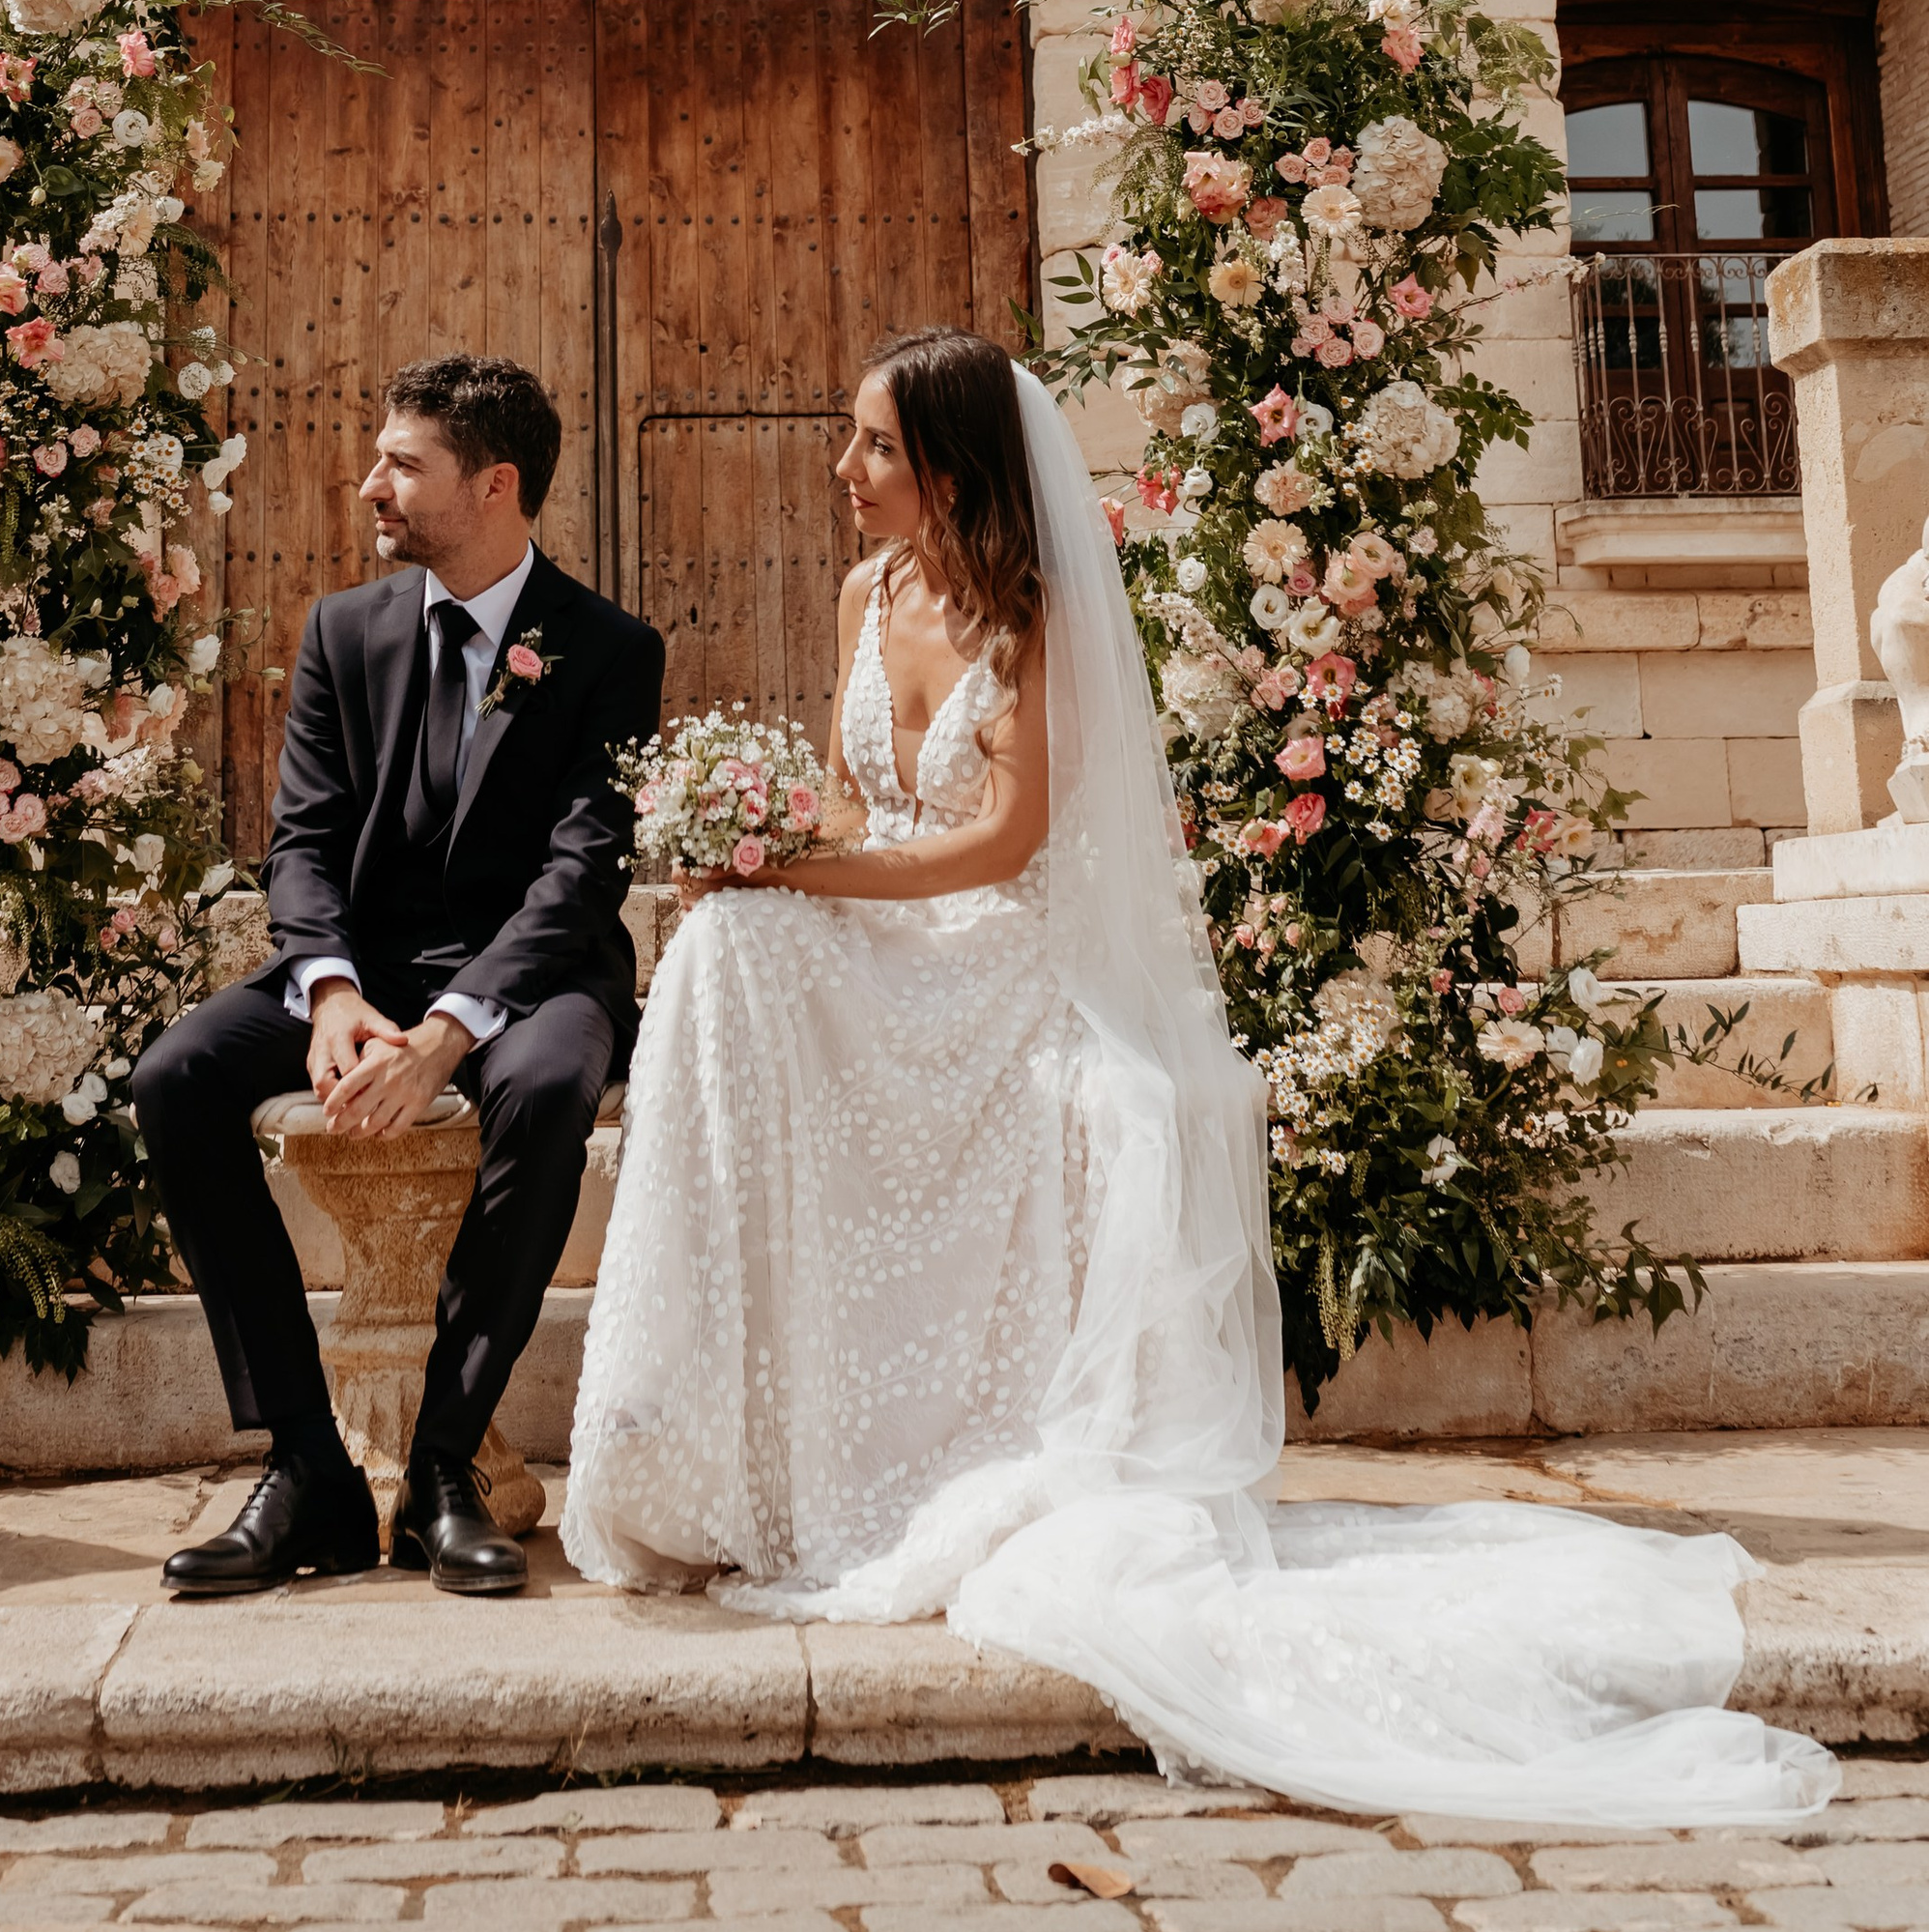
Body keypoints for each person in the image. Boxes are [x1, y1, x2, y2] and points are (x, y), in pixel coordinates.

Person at [563, 326, 1834, 1825]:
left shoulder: (1031, 617)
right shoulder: (867, 591)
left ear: (955, 466)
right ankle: (694, 1438)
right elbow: (858, 801)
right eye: (853, 442)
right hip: (892, 934)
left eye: (875, 446)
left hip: (1003, 959)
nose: (845, 469)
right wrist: (771, 856)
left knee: (748, 942)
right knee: (723, 951)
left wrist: (812, 875)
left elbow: (1002, 844)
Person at [136, 352, 663, 1601]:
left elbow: (584, 870)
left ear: (494, 486)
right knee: (178, 1078)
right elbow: (303, 838)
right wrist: (327, 989)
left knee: (538, 1095)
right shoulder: (344, 629)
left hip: (535, 981)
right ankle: (308, 1465)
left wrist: (449, 1028)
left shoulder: (607, 649)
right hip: (358, 969)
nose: (370, 482)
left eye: (401, 463)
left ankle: (442, 1470)